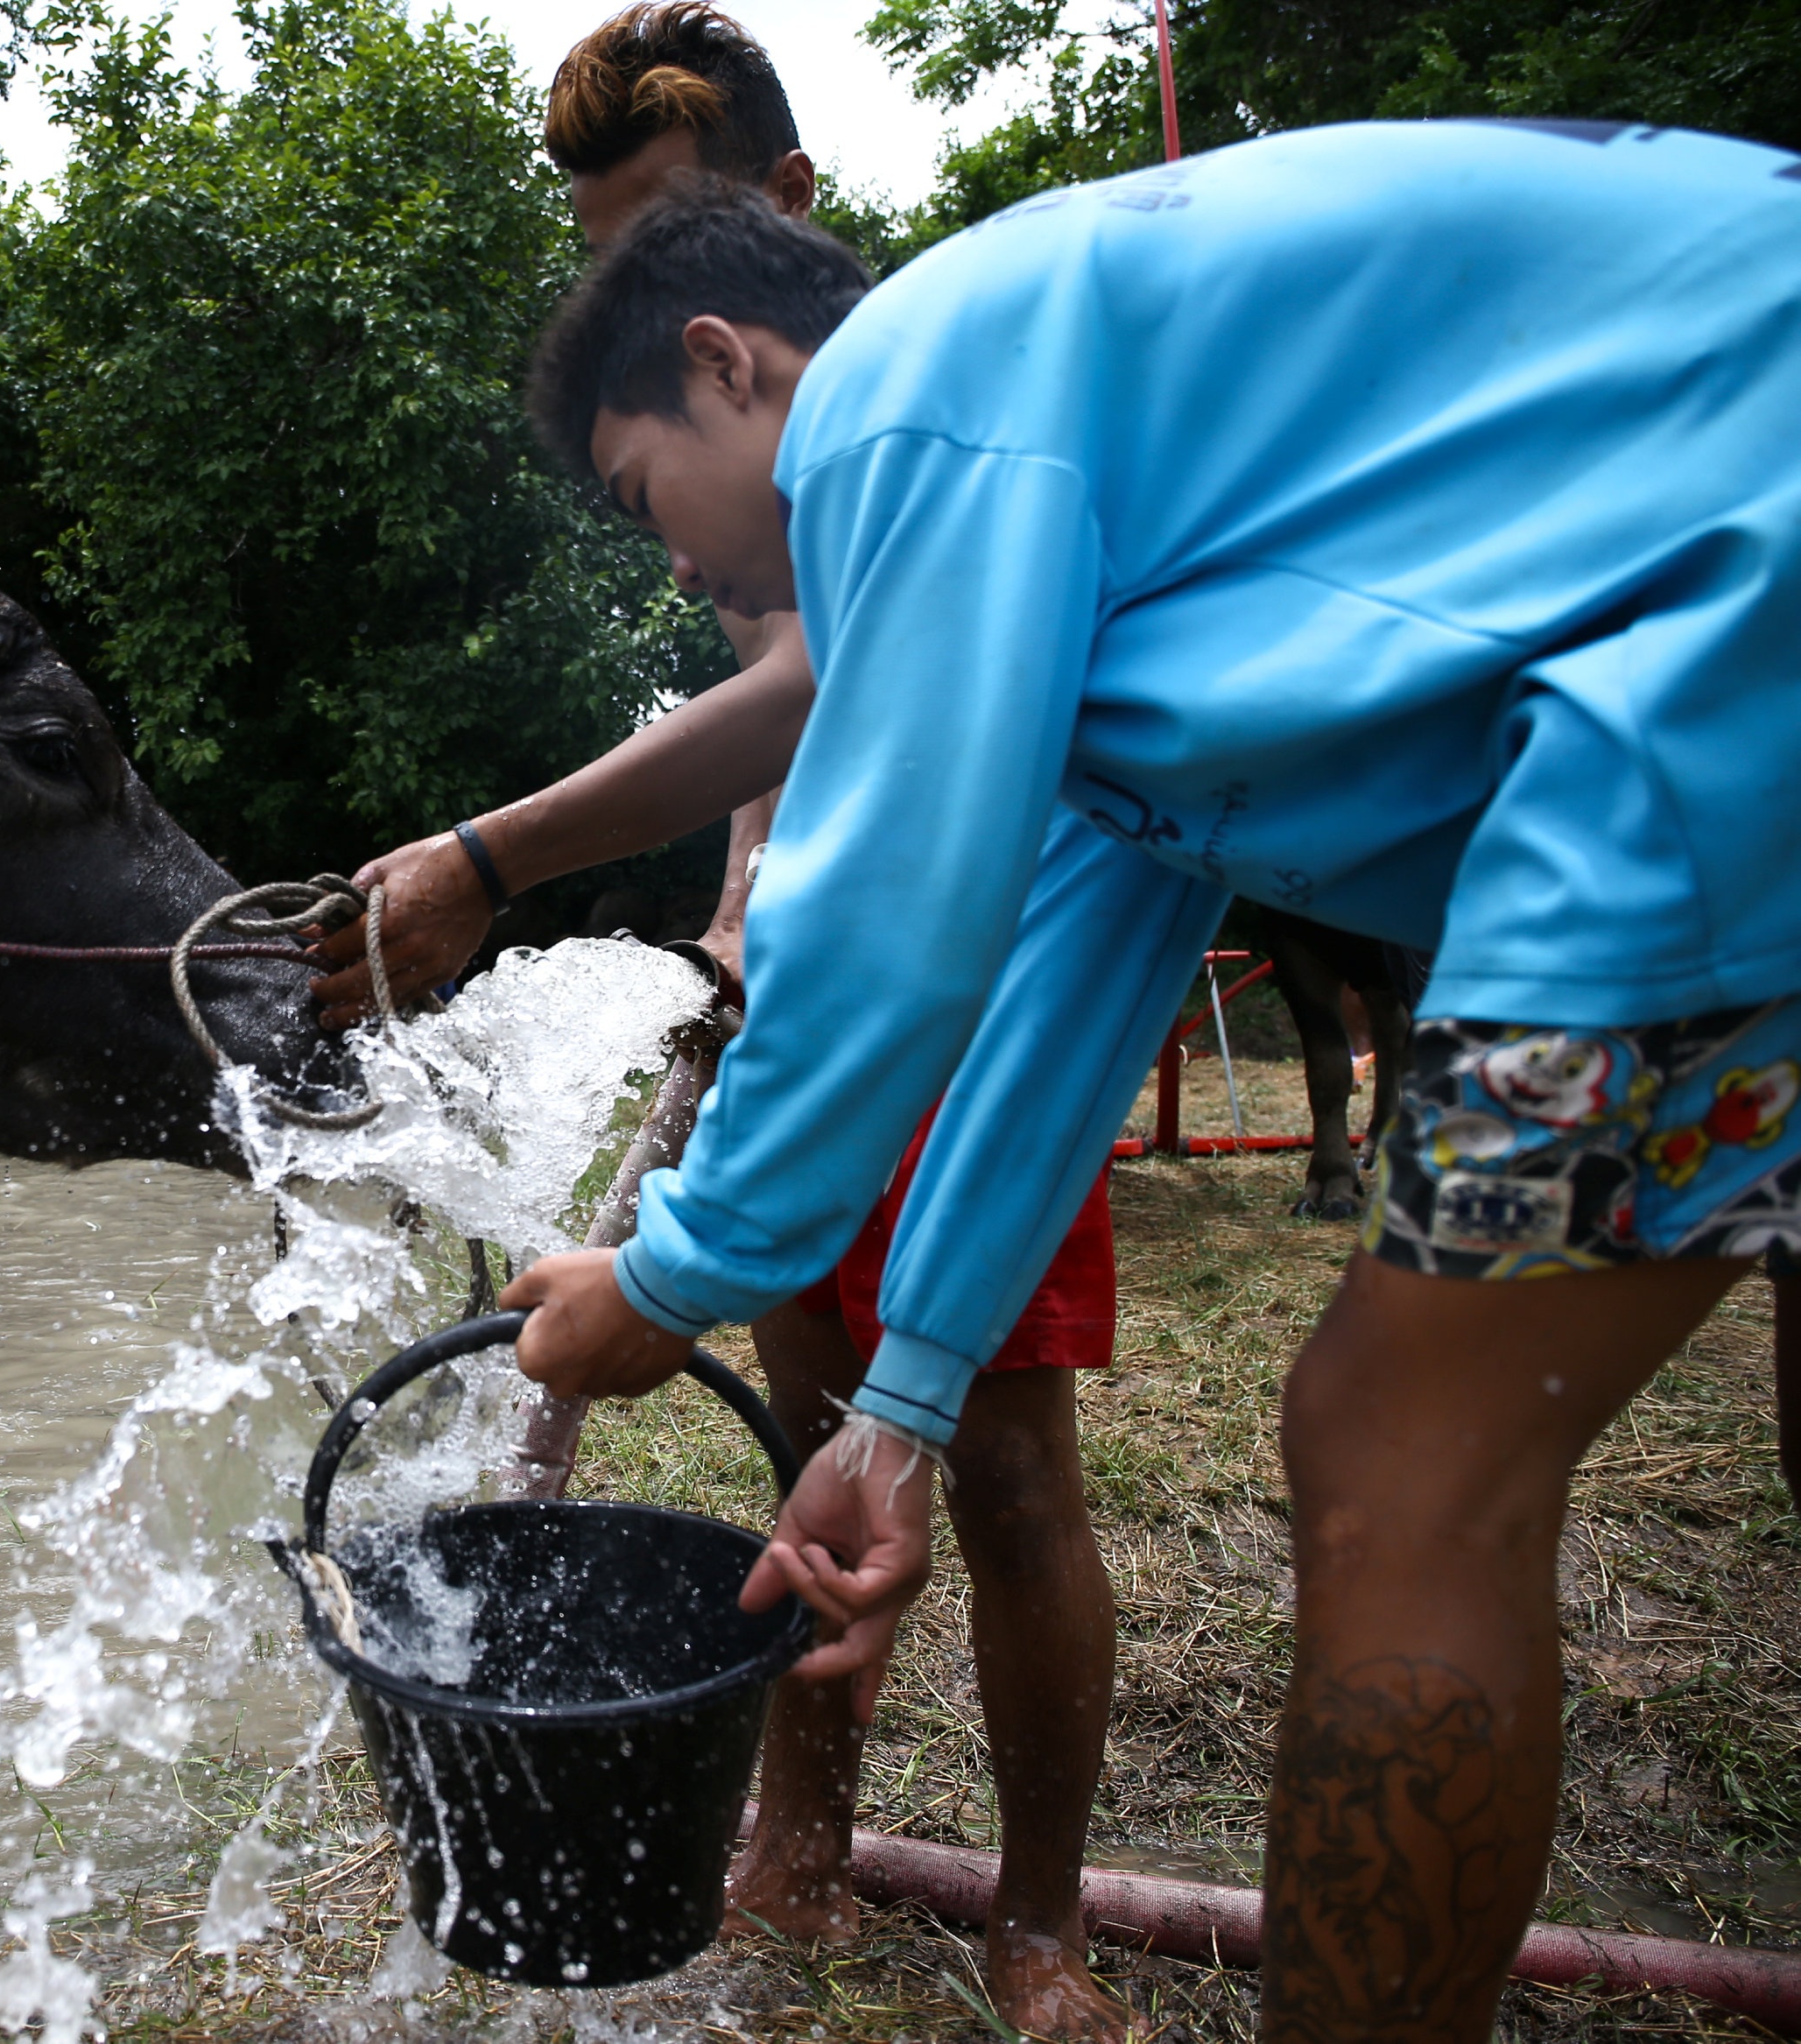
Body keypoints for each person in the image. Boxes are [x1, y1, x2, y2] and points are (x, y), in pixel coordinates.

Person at [509, 133, 1801, 2042]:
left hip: (1727, 639)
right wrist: (903, 1406)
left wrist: (671, 1274)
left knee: (1398, 1459)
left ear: (729, 361)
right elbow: (1079, 961)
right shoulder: (1124, 494)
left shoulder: (903, 393)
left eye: (645, 498)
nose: (686, 564)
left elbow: (890, 912)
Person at [315, 11, 1130, 2033]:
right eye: (601, 252)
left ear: (773, 236)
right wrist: (731, 903)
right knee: (818, 1409)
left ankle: (1038, 1916)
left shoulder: (922, 391)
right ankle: (796, 1836)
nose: (628, 294)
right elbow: (789, 702)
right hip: (794, 981)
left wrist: (493, 856)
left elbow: (856, 709)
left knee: (1003, 1465)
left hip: (972, 965)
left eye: (657, 247)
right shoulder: (770, 448)